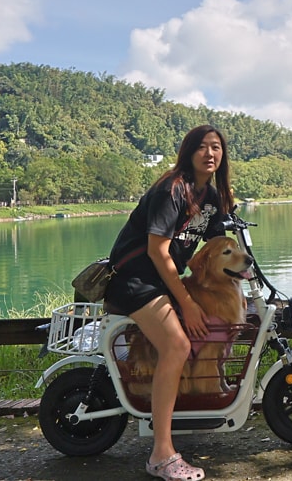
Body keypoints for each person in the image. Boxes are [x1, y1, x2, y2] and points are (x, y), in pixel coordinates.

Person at [104, 124, 235, 481]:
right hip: (136, 281)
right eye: (203, 147)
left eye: (217, 148)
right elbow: (158, 252)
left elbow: (214, 246)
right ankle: (161, 454)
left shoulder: (210, 196)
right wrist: (188, 303)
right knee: (176, 345)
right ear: (189, 152)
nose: (211, 154)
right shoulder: (172, 189)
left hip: (159, 281)